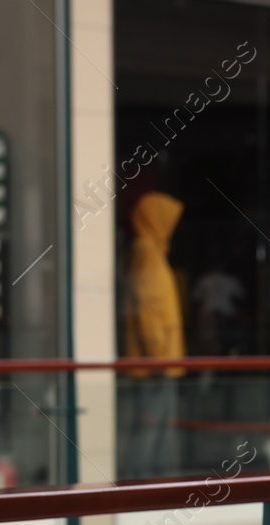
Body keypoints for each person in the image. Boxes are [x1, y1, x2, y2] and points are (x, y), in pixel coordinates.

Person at [120, 191, 186, 479]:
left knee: (158, 429)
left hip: (160, 363)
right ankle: (142, 486)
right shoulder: (147, 253)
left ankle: (152, 485)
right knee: (151, 429)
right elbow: (148, 308)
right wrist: (159, 356)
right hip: (157, 365)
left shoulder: (151, 251)